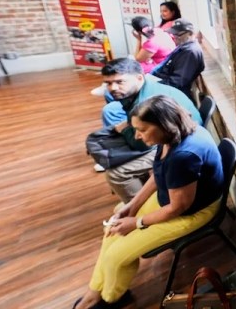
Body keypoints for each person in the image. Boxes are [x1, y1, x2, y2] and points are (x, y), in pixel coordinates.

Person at [73, 95, 223, 309]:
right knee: (114, 228)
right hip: (172, 201)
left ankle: (110, 298)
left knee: (117, 256)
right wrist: (131, 207)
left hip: (192, 212)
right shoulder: (172, 135)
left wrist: (137, 222)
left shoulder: (184, 155)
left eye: (142, 130)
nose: (137, 136)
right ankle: (94, 292)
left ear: (164, 124)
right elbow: (158, 175)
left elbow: (178, 207)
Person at [86, 58, 202, 202]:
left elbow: (141, 143)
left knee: (117, 174)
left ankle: (142, 208)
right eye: (108, 83)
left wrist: (124, 129)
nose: (113, 88)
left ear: (139, 77)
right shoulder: (140, 91)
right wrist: (126, 127)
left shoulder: (146, 103)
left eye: (119, 82)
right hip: (172, 137)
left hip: (181, 144)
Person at [150, 19, 205, 97]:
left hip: (171, 93)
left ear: (190, 33)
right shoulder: (183, 45)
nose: (174, 37)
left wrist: (155, 87)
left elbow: (177, 82)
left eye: (178, 34)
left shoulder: (190, 52)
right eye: (173, 34)